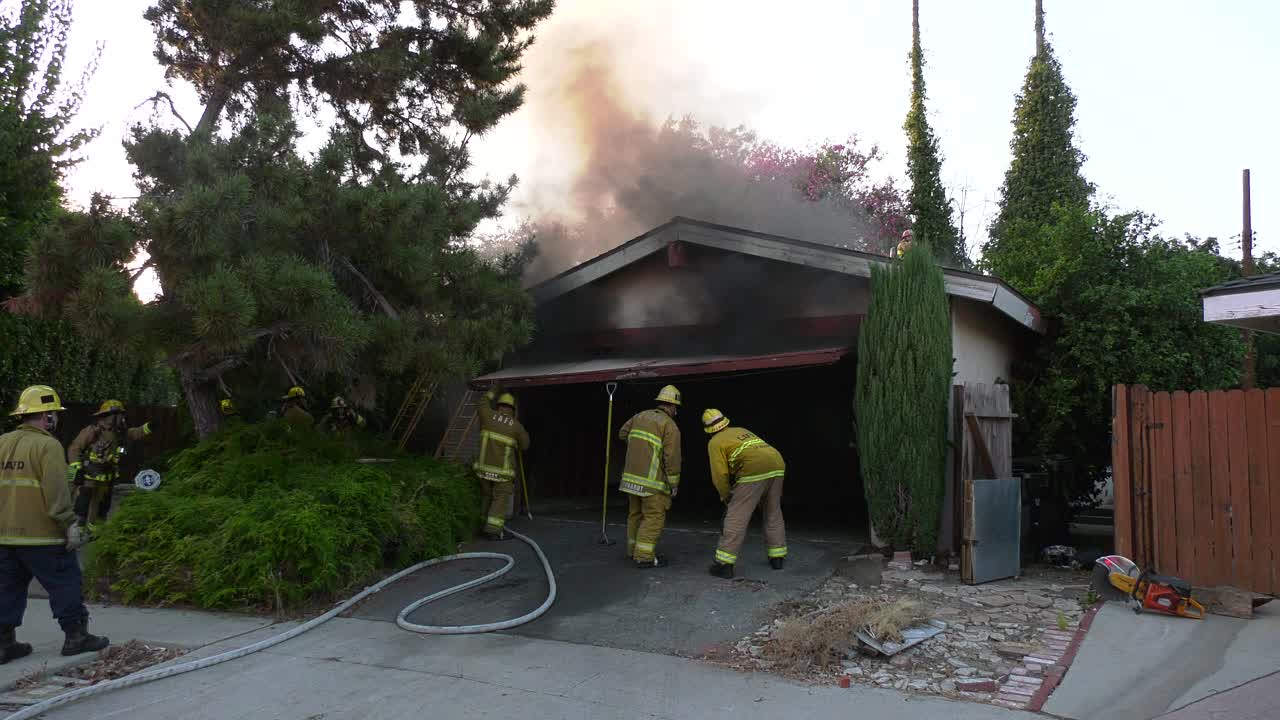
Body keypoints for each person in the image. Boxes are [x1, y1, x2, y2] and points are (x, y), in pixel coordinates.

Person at [0, 385, 109, 662]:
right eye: (54, 414)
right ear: (47, 416)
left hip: (6, 536)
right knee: (65, 583)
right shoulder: (48, 445)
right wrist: (69, 523)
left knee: (6, 588)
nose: (55, 419)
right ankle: (76, 637)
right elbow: (56, 492)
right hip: (42, 536)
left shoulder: (2, 442)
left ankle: (4, 644)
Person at [702, 408, 787, 579]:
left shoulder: (715, 442)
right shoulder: (741, 430)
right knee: (772, 511)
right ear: (725, 421)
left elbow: (720, 475)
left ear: (707, 429)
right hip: (777, 463)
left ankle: (724, 564)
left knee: (736, 516)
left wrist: (726, 496)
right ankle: (777, 557)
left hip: (754, 469)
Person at [618, 385, 682, 569]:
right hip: (652, 483)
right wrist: (674, 484)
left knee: (635, 515)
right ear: (670, 406)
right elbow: (672, 458)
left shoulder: (639, 416)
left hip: (630, 480)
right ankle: (644, 556)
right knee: (653, 517)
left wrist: (639, 447)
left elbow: (622, 433)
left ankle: (632, 551)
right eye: (676, 407)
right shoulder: (670, 426)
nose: (676, 411)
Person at [67, 400, 151, 526]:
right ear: (106, 416)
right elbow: (74, 448)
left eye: (121, 415)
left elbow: (134, 433)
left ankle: (95, 531)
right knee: (82, 501)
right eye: (116, 415)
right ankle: (75, 528)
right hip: (87, 474)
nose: (120, 418)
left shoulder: (120, 432)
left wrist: (148, 427)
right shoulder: (93, 431)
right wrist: (75, 469)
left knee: (102, 504)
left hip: (106, 476)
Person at [473, 392, 529, 540]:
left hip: (483, 471)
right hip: (502, 474)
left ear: (498, 406)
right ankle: (493, 531)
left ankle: (481, 526)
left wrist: (492, 390)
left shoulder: (487, 414)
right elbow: (525, 445)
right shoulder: (515, 426)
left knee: (486, 497)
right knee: (499, 500)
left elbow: (482, 401)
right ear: (513, 409)